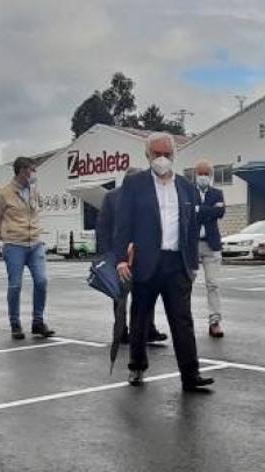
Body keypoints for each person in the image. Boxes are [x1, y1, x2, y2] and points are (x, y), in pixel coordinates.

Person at [114, 133, 213, 391]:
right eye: (156, 154)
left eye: (166, 154)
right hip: (146, 262)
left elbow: (191, 229)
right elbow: (123, 225)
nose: (162, 159)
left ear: (174, 155)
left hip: (176, 264)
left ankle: (191, 375)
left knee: (183, 320)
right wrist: (121, 260)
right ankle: (136, 367)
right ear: (147, 156)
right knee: (140, 317)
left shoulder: (186, 187)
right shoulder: (135, 184)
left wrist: (192, 265)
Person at [96, 166, 168, 345]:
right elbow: (103, 227)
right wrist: (107, 254)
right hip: (120, 254)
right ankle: (121, 332)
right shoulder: (112, 197)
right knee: (121, 296)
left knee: (146, 293)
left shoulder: (150, 196)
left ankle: (148, 330)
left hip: (144, 253)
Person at [0, 157, 56, 339]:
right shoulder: (3, 194)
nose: (34, 174)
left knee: (42, 281)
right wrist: (6, 236)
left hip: (35, 243)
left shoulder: (34, 192)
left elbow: (37, 212)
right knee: (15, 285)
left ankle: (38, 322)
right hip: (14, 245)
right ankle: (15, 324)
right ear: (21, 171)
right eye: (31, 170)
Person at [194, 160, 227, 337]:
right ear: (195, 175)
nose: (203, 177)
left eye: (206, 174)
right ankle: (183, 322)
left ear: (211, 176)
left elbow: (220, 213)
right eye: (200, 173)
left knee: (213, 284)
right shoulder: (188, 192)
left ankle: (215, 321)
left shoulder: (217, 193)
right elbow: (188, 213)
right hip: (191, 245)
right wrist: (209, 211)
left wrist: (199, 210)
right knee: (184, 285)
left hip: (211, 244)